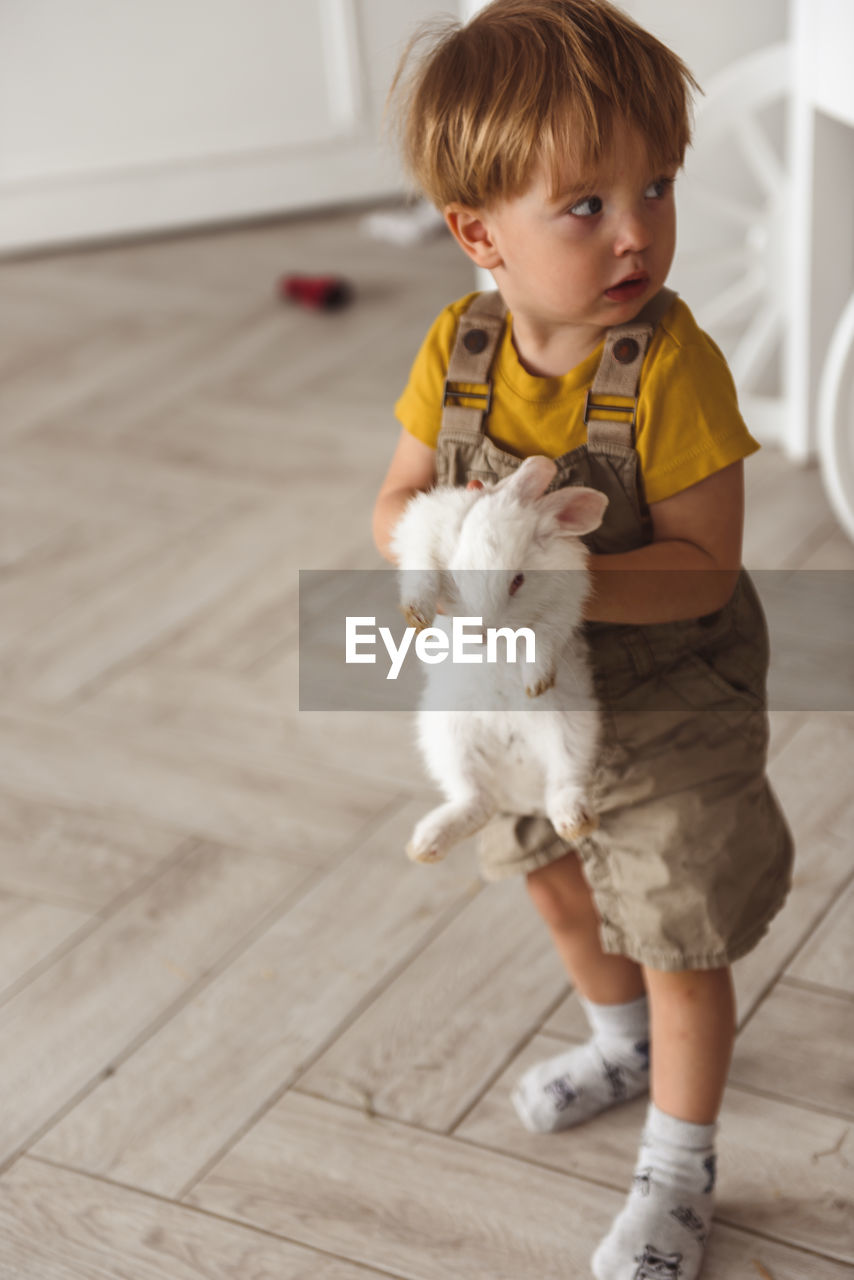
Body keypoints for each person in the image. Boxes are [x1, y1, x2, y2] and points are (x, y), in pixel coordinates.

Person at [371, 2, 794, 1276]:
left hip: (665, 702)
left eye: (654, 187)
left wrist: (551, 580)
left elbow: (703, 568)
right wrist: (432, 547)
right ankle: (618, 1042)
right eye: (585, 204)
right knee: (547, 875)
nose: (636, 230)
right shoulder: (457, 349)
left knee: (675, 928)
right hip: (517, 705)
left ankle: (680, 1159)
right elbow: (392, 500)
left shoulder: (674, 368)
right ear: (474, 231)